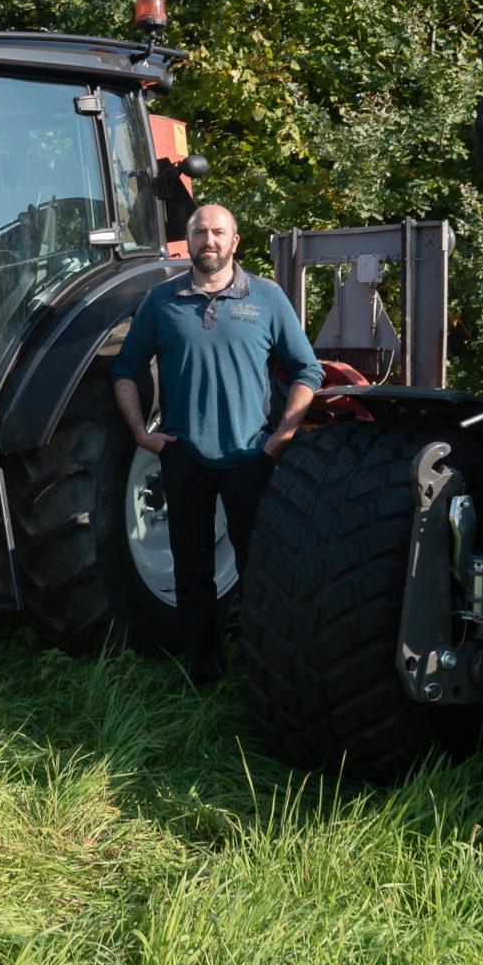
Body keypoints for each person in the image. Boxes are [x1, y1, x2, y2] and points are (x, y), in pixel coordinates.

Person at [111, 202, 323, 684]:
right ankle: (202, 669)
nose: (209, 240)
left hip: (251, 458)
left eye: (219, 232)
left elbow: (307, 370)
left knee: (259, 569)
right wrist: (142, 434)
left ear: (235, 241)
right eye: (201, 232)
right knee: (192, 570)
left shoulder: (266, 299)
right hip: (185, 457)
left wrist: (281, 436)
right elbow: (124, 369)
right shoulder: (161, 302)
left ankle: (263, 668)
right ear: (190, 241)